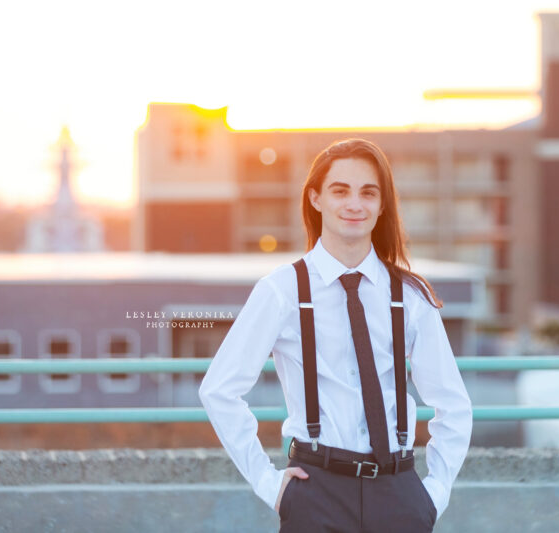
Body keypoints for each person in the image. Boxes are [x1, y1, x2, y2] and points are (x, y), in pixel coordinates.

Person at [199, 138, 473, 532]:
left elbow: (454, 403)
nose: (354, 204)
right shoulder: (282, 291)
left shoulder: (410, 297)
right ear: (315, 199)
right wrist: (270, 484)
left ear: (382, 205)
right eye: (340, 191)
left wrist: (434, 492)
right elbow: (219, 389)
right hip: (316, 493)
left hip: (399, 495)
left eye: (368, 193)